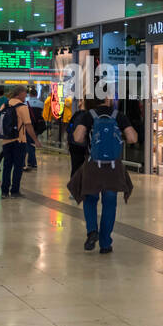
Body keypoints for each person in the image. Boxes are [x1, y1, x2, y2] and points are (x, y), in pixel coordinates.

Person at [67, 96, 137, 253]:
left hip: (93, 166)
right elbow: (132, 138)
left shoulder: (88, 116)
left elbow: (77, 137)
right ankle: (105, 244)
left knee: (90, 199)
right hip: (113, 167)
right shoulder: (118, 115)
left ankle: (92, 231)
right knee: (110, 204)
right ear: (107, 99)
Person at [0, 85, 37, 199]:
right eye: (24, 93)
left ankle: (4, 192)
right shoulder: (22, 107)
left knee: (7, 166)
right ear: (19, 94)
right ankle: (15, 191)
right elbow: (28, 125)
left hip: (6, 141)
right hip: (19, 141)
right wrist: (35, 140)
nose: (25, 95)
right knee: (18, 166)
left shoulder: (5, 105)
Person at [24, 85, 44, 171]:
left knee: (29, 143)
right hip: (38, 126)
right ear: (36, 95)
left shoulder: (26, 104)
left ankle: (33, 163)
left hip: (28, 125)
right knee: (31, 142)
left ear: (30, 95)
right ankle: (31, 162)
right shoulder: (41, 104)